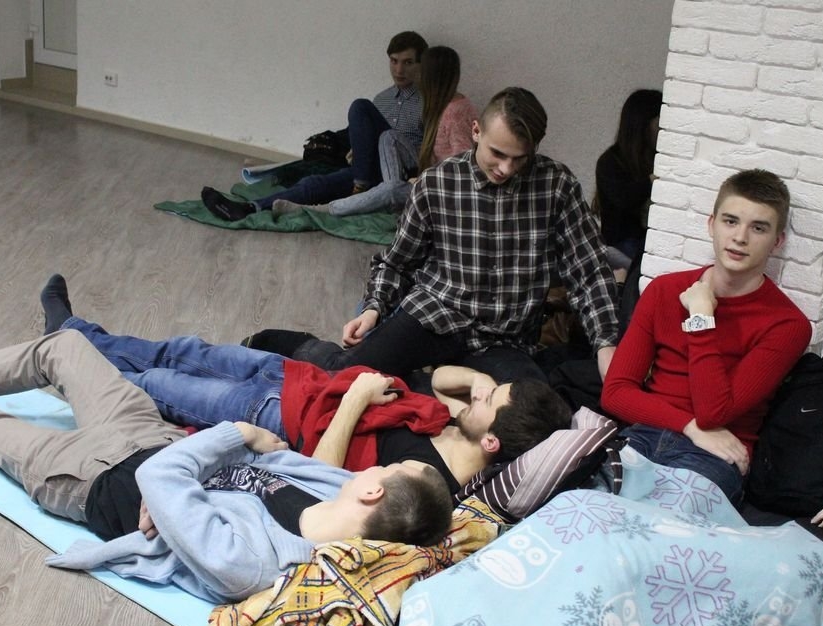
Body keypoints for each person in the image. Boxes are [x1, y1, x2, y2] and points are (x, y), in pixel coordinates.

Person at [0, 318, 454, 603]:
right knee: (65, 347)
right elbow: (185, 473)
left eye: (389, 469)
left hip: (94, 479)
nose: (377, 465)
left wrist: (236, 435)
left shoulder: (254, 564)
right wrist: (199, 468)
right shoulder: (330, 490)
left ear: (373, 493)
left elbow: (161, 476)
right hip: (152, 435)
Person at [38, 275, 572, 498]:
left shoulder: (427, 479)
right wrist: (480, 381)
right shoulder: (460, 422)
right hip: (298, 379)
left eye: (490, 401)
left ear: (492, 441)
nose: (481, 394)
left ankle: (64, 356)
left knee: (154, 384)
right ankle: (71, 332)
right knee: (181, 350)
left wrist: (357, 400)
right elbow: (441, 378)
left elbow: (324, 475)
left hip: (277, 414)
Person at [247, 87, 621, 385]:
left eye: (520, 159)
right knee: (348, 378)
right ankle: (295, 345)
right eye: (497, 153)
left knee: (527, 416)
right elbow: (398, 262)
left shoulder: (556, 185)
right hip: (434, 315)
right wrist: (375, 307)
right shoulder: (437, 183)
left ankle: (425, 383)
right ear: (476, 131)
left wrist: (606, 343)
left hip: (504, 338)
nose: (507, 168)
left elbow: (588, 272)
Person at [601, 169, 812, 505]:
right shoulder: (664, 290)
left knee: (662, 528)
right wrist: (688, 425)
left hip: (715, 454)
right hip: (645, 434)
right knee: (582, 509)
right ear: (712, 224)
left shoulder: (787, 325)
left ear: (777, 241)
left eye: (758, 228)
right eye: (730, 221)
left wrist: (701, 317)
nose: (740, 237)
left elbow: (714, 413)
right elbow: (615, 393)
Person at [201, 31, 428, 221]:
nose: (399, 70)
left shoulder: (428, 102)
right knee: (313, 184)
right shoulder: (382, 99)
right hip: (370, 171)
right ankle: (250, 208)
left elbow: (431, 153)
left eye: (408, 62)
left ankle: (360, 187)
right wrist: (358, 150)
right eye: (394, 61)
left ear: (421, 65)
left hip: (401, 173)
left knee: (360, 106)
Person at [273, 45, 477, 218]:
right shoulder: (440, 104)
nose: (415, 76)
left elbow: (462, 169)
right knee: (388, 136)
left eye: (419, 72)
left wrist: (425, 180)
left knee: (390, 190)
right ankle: (390, 196)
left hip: (440, 191)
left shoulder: (456, 113)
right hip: (420, 172)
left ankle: (319, 209)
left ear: (432, 78)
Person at [595, 89, 663, 270]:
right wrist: (650, 182)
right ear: (643, 125)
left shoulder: (658, 158)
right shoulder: (610, 162)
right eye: (660, 123)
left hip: (648, 243)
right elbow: (624, 200)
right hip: (622, 246)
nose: (664, 130)